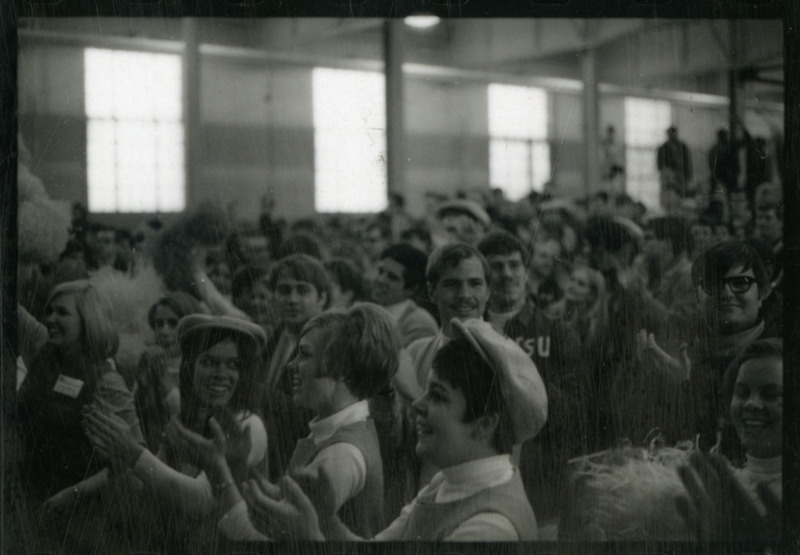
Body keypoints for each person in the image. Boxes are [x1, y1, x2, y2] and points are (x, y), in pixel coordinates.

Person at [245, 318, 548, 541]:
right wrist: (326, 520)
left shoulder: (490, 527)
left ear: (485, 424)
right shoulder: (447, 481)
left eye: (438, 396)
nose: (419, 404)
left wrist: (311, 535)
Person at [165, 304, 403, 542]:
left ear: (341, 367)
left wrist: (219, 473)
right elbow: (279, 503)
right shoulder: (332, 431)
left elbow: (271, 539)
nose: (291, 365)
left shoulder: (342, 454)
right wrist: (239, 467)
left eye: (305, 354)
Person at [83, 314, 268, 551]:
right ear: (190, 367)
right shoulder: (184, 419)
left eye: (233, 364)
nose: (221, 373)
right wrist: (116, 458)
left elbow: (200, 501)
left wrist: (130, 451)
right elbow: (149, 491)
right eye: (209, 362)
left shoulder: (249, 425)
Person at [15, 280, 143, 550]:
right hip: (28, 500)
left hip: (79, 518)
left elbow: (135, 460)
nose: (50, 318)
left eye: (62, 313)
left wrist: (73, 494)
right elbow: (11, 310)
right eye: (49, 311)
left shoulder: (107, 383)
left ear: (88, 320)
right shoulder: (44, 348)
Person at [477, 231, 585, 531]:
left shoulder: (555, 331)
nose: (507, 274)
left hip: (540, 478)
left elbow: (575, 410)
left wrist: (521, 382)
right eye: (497, 267)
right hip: (483, 477)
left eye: (514, 264)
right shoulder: (470, 332)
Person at [259, 254, 332, 481]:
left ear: (322, 298)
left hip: (298, 459)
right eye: (284, 290)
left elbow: (318, 409)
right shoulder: (274, 336)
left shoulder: (326, 344)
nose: (292, 299)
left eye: (302, 290)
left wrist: (263, 396)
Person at [135, 293, 204, 451]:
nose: (164, 332)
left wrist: (163, 377)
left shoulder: (198, 367)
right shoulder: (149, 361)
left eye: (173, 324)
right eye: (159, 324)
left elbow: (187, 419)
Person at [372, 243, 438, 347]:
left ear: (412, 289)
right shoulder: (372, 311)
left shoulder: (419, 324)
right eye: (380, 271)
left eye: (392, 277)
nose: (380, 280)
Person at [657, 126, 693, 204]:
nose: (672, 136)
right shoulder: (663, 148)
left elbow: (687, 162)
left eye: (673, 134)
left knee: (681, 195)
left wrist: (688, 175)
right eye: (670, 134)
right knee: (668, 196)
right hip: (668, 176)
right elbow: (660, 165)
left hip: (681, 176)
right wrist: (667, 175)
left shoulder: (683, 147)